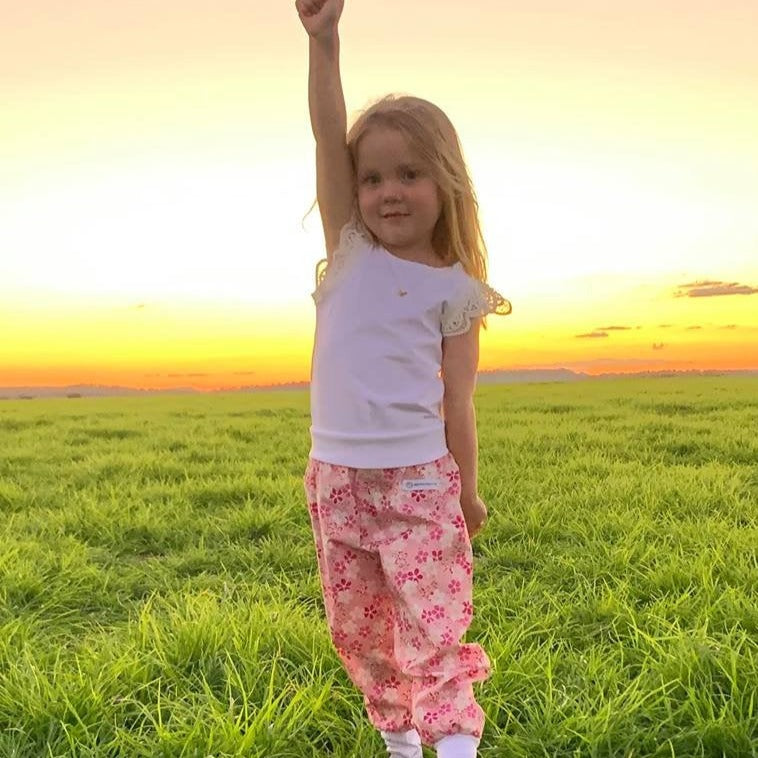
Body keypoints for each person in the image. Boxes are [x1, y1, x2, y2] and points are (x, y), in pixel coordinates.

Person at [296, 1, 511, 756]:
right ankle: (396, 736)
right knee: (357, 630)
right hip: (335, 480)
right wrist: (325, 43)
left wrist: (469, 491)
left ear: (445, 181)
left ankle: (452, 742)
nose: (390, 191)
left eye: (411, 174)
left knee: (434, 625)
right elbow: (329, 134)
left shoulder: (455, 290)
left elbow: (460, 403)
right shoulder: (349, 251)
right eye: (375, 177)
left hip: (419, 483)